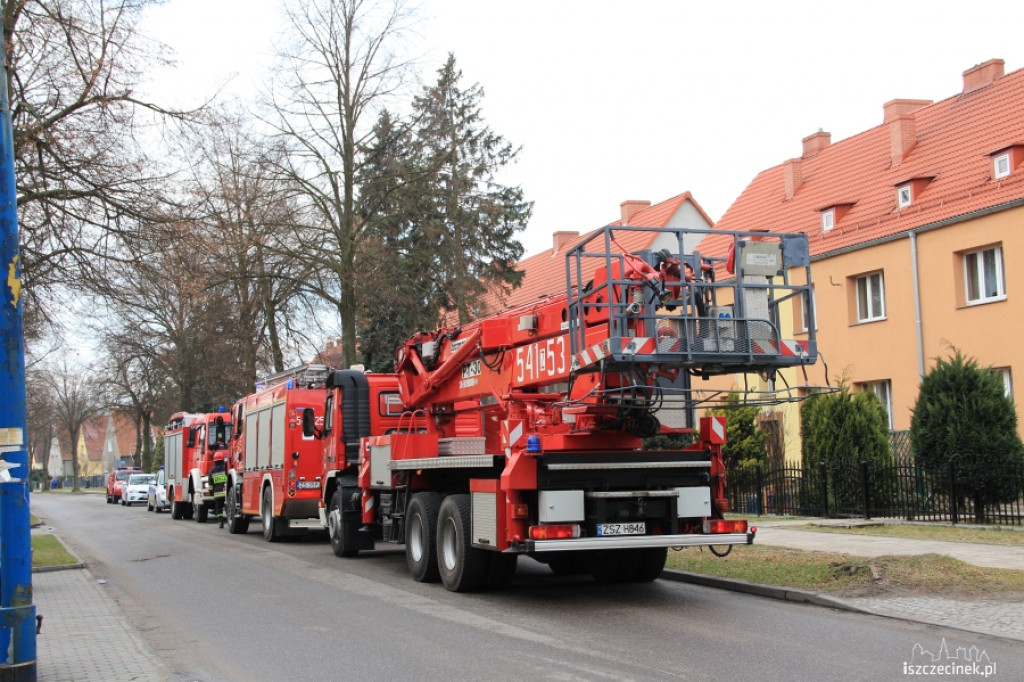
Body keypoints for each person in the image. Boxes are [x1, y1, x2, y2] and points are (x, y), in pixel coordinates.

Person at [209, 452, 229, 528]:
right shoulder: (226, 468)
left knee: (219, 509)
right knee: (228, 507)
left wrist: (211, 492)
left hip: (217, 493)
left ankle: (220, 522)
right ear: (223, 460)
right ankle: (229, 521)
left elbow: (210, 484)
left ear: (215, 461)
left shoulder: (212, 471)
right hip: (226, 492)